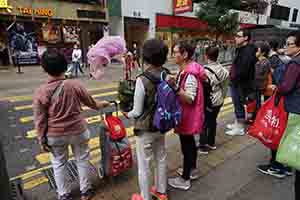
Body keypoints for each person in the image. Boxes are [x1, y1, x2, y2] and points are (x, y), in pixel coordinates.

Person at [33, 49, 110, 200]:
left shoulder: (41, 92)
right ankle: (85, 191)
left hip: (55, 136)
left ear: (44, 69)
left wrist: (41, 139)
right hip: (78, 131)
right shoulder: (75, 85)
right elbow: (92, 103)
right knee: (82, 159)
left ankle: (64, 195)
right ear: (65, 65)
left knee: (59, 163)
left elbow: (40, 120)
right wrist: (104, 104)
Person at [123, 39, 169, 200]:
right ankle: (161, 192)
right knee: (161, 158)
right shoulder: (167, 74)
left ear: (146, 57)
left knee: (144, 165)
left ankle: (145, 197)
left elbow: (136, 111)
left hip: (145, 129)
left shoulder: (142, 80)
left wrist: (126, 114)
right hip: (162, 124)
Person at [167, 41, 206, 190]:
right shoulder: (188, 70)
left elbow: (189, 98)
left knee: (187, 146)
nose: (173, 55)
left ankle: (184, 179)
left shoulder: (190, 74)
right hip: (188, 116)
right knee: (189, 144)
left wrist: (174, 86)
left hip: (188, 116)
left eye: (176, 52)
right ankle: (191, 170)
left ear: (184, 55)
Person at [276, 30, 300, 199]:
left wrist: (276, 87)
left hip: (296, 110)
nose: (286, 47)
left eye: (289, 44)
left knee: (294, 145)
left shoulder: (295, 63)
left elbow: (285, 87)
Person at [198, 46, 229, 154]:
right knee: (212, 121)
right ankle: (211, 143)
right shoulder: (224, 70)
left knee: (203, 122)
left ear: (206, 56)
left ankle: (202, 146)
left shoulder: (202, 71)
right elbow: (225, 87)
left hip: (207, 101)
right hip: (218, 100)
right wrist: (222, 97)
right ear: (217, 56)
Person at [225, 30, 256, 136]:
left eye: (238, 36)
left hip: (240, 83)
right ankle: (238, 122)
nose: (235, 38)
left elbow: (243, 69)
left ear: (246, 38)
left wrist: (234, 76)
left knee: (238, 103)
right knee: (236, 103)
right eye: (236, 35)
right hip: (236, 82)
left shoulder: (248, 51)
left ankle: (240, 127)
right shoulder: (241, 49)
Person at [253, 41, 272, 109]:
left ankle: (258, 114)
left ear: (263, 53)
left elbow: (257, 74)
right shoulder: (259, 61)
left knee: (258, 103)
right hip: (259, 86)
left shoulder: (264, 62)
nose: (254, 52)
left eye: (257, 51)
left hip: (259, 86)